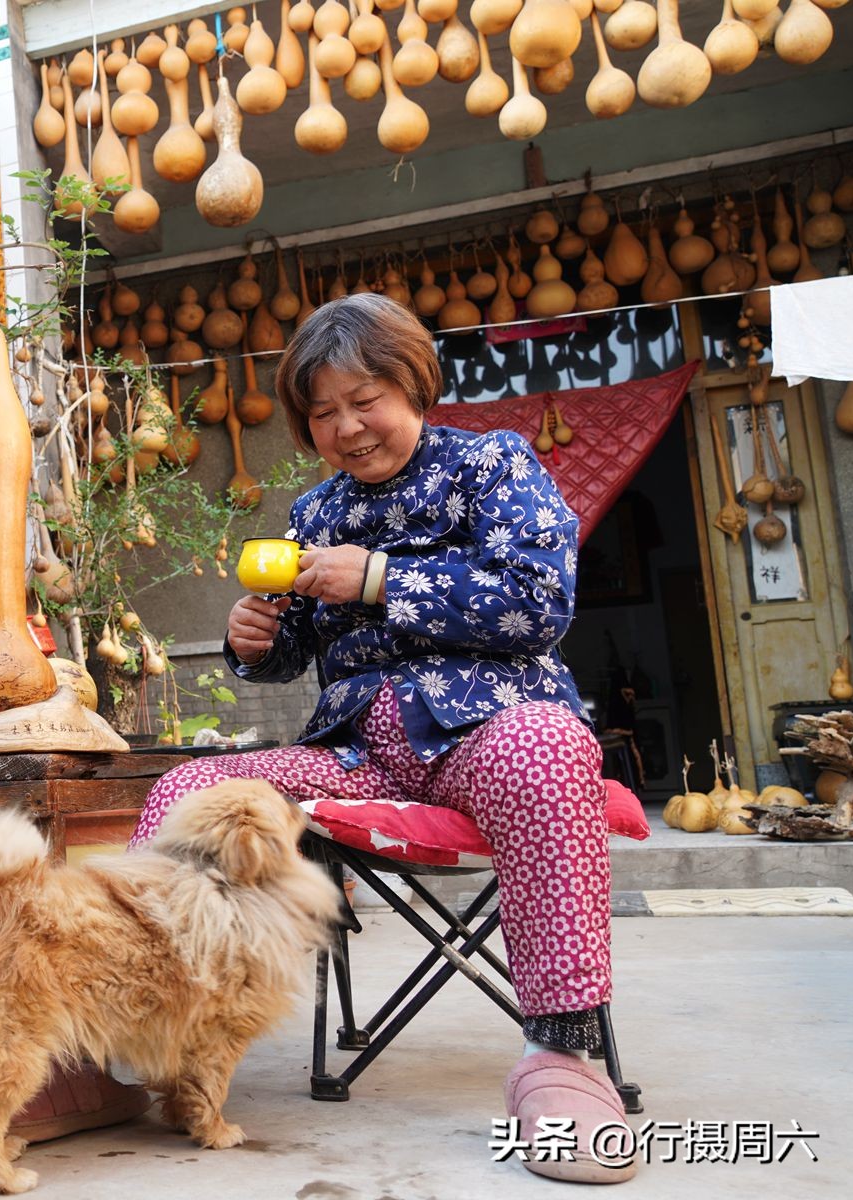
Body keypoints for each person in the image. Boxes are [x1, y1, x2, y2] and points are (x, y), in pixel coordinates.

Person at [131, 294, 633, 1184]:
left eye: (365, 401)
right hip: (357, 754)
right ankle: (133, 1021)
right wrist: (257, 642)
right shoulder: (316, 512)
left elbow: (540, 602)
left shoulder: (491, 465)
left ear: (413, 386)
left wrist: (379, 579)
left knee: (548, 746)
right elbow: (292, 652)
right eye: (323, 413)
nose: (347, 428)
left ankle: (562, 1055)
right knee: (189, 792)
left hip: (489, 729)